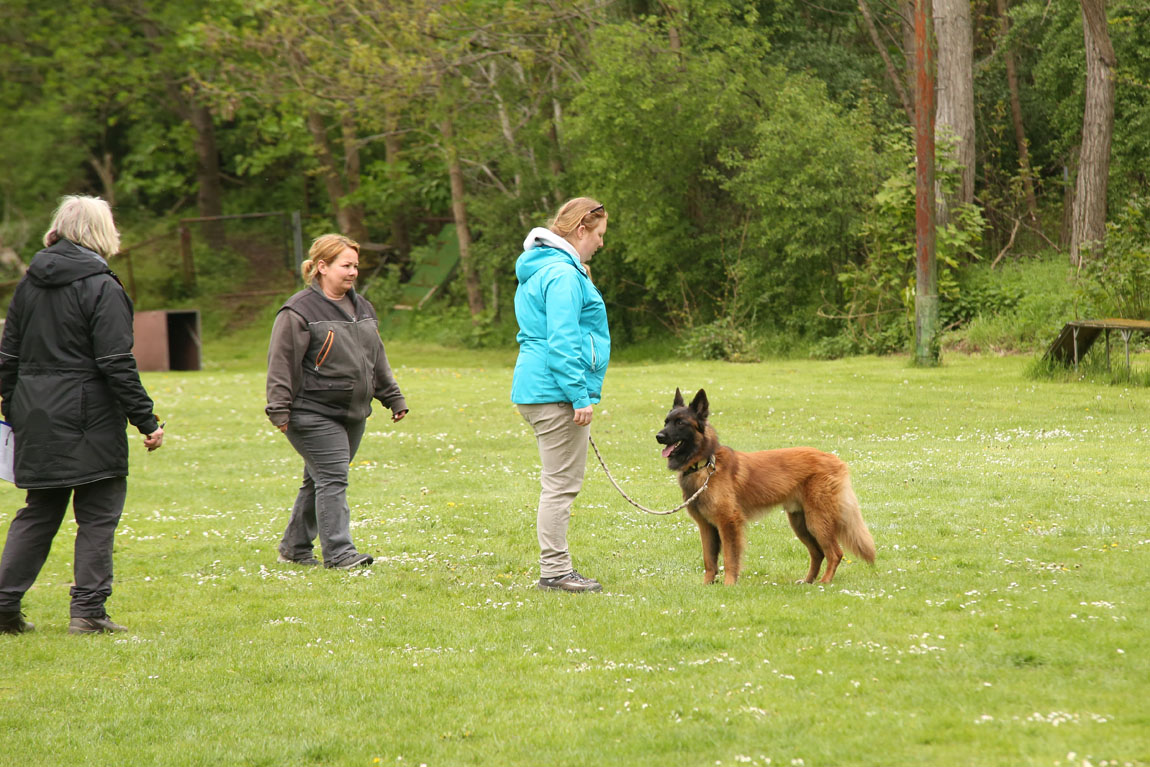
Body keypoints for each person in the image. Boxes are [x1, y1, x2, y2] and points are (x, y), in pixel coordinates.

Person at [0, 195, 164, 636]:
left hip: (34, 412)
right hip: (89, 415)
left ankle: (3, 605)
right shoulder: (102, 285)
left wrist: (11, 409)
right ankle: (88, 610)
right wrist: (146, 420)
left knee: (39, 510)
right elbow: (115, 360)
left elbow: (8, 354)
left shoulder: (29, 284)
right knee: (98, 511)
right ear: (100, 231)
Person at [266, 234, 407, 569]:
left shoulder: (363, 308)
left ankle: (295, 548)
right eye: (346, 265)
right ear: (322, 267)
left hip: (353, 411)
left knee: (318, 479)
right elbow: (281, 362)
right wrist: (279, 409)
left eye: (356, 266)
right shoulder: (298, 310)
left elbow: (376, 357)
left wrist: (392, 396)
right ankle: (340, 553)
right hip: (310, 412)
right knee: (332, 477)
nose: (353, 272)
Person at [512, 197, 610, 592]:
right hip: (554, 390)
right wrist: (579, 394)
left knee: (557, 482)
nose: (601, 243)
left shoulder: (543, 268)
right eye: (599, 234)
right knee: (561, 485)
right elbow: (563, 341)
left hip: (534, 387)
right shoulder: (563, 276)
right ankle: (554, 572)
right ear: (581, 230)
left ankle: (555, 569)